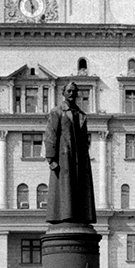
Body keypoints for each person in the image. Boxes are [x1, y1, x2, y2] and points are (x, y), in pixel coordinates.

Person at [44, 82, 96, 225]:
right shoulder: (57, 111)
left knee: (79, 186)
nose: (72, 94)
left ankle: (80, 216)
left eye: (74, 91)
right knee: (64, 187)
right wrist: (51, 158)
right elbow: (50, 134)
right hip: (64, 157)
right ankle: (65, 216)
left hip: (79, 158)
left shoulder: (81, 115)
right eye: (69, 91)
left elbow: (85, 138)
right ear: (63, 93)